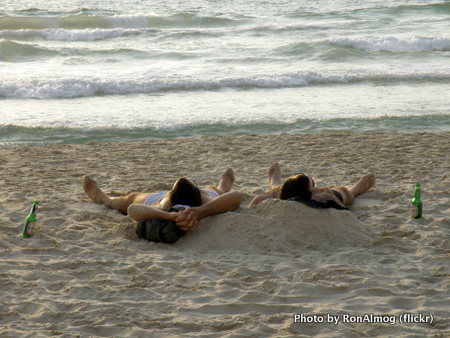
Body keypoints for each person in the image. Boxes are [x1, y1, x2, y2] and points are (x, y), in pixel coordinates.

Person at [83, 168, 242, 231]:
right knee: (219, 190)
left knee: (119, 200)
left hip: (158, 201)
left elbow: (132, 209)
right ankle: (223, 183)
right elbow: (237, 197)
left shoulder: (201, 200)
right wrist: (171, 215)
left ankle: (99, 195)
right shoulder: (206, 198)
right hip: (168, 201)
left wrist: (199, 212)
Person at [249, 162, 375, 208]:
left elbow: (255, 202)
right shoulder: (322, 195)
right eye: (312, 182)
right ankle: (357, 188)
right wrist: (330, 196)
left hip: (291, 191)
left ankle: (275, 182)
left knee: (278, 190)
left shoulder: (277, 196)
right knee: (348, 193)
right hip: (330, 193)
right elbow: (345, 210)